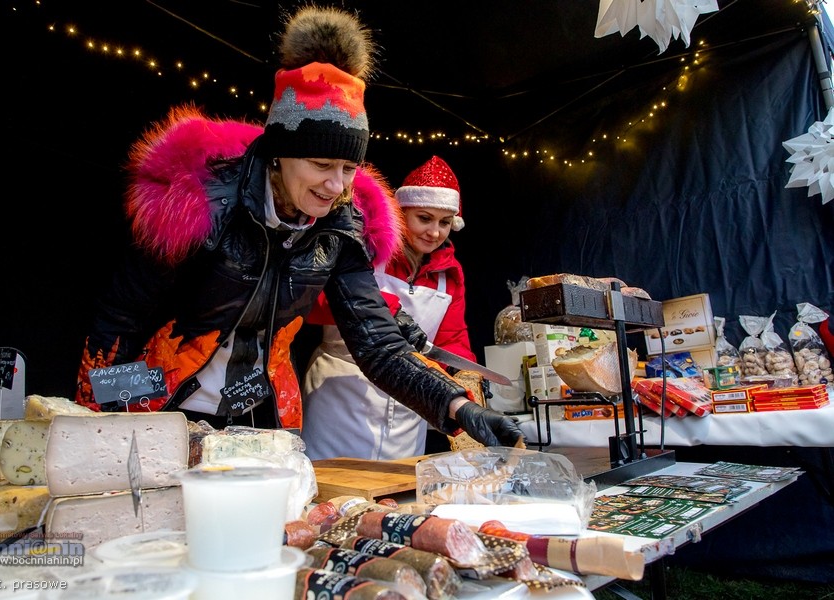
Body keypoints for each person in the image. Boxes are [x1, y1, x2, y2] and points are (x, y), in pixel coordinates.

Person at [73, 6, 524, 451]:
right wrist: (100, 424)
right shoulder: (201, 204)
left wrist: (459, 407)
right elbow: (120, 321)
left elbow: (378, 344)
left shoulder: (342, 228)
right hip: (165, 408)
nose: (336, 186)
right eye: (322, 164)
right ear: (280, 153)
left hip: (263, 417)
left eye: (349, 168)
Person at [301, 155, 479, 460]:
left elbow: (452, 340)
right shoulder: (366, 248)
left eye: (445, 222)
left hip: (410, 403)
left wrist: (462, 378)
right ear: (401, 212)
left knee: (401, 486)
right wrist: (391, 311)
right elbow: (319, 302)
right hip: (340, 395)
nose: (434, 232)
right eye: (424, 218)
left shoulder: (449, 275)